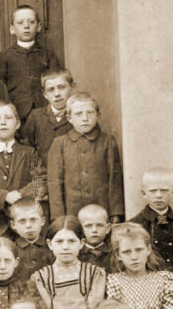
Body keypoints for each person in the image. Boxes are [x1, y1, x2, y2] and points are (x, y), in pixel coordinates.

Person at [0, 102, 47, 236]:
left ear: (17, 124)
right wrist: (4, 196)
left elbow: (41, 181)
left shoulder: (30, 153)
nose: (3, 122)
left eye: (8, 118)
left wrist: (21, 195)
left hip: (26, 223)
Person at [33, 216, 106, 309]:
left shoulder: (94, 273)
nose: (65, 247)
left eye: (72, 241)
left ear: (81, 243)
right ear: (50, 244)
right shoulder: (41, 277)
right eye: (59, 241)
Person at [47, 92, 124, 223]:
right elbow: (55, 183)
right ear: (69, 118)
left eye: (90, 113)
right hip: (71, 214)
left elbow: (114, 179)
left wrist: (115, 213)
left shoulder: (107, 141)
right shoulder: (60, 143)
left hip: (101, 211)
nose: (85, 118)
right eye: (78, 114)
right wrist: (58, 218)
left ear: (98, 116)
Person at [0, 5, 62, 120]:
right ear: (12, 29)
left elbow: (55, 82)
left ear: (39, 26)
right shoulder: (4, 56)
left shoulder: (48, 55)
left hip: (44, 110)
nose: (26, 26)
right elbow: (0, 86)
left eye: (31, 22)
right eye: (20, 22)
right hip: (16, 112)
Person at [129, 167, 173, 294]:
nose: (158, 195)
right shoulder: (134, 225)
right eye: (153, 191)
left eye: (164, 190)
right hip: (146, 289)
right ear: (144, 193)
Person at [21, 69, 73, 163]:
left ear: (72, 88)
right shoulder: (36, 116)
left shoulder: (80, 115)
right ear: (45, 94)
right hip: (44, 174)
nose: (57, 94)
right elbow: (27, 149)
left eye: (61, 87)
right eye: (51, 89)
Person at [8, 198, 52, 282]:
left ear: (42, 221)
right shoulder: (11, 251)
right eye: (22, 221)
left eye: (33, 220)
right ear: (13, 225)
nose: (28, 225)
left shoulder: (51, 247)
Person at [77, 203, 115, 273]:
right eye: (88, 226)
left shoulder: (114, 254)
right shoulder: (76, 253)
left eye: (99, 225)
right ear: (80, 229)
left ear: (107, 228)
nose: (94, 230)